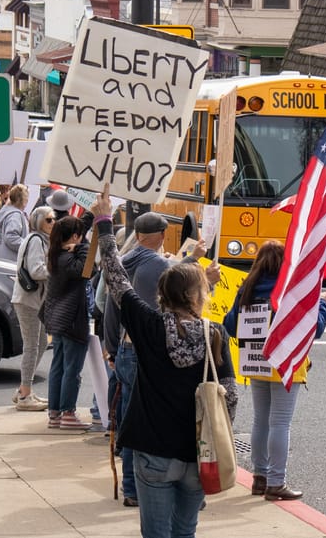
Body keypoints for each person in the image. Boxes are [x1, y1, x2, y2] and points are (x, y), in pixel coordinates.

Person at [92, 184, 237, 537]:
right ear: (200, 295)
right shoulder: (215, 334)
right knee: (185, 531)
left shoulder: (149, 326)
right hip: (196, 452)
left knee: (155, 533)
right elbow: (229, 396)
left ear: (161, 294)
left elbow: (115, 277)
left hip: (153, 450)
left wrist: (105, 222)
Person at [102, 212, 212, 508]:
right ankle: (141, 486)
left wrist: (110, 346)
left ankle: (131, 488)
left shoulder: (125, 263)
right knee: (150, 414)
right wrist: (196, 265)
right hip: (144, 349)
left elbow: (114, 302)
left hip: (124, 347)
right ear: (162, 235)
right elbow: (175, 280)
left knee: (130, 414)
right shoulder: (159, 266)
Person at [223, 241, 326, 501]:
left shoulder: (246, 289)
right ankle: (276, 481)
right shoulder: (289, 292)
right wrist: (323, 303)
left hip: (255, 361)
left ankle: (259, 477)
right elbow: (313, 328)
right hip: (285, 362)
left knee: (261, 420)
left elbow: (230, 325)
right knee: (280, 422)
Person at [40, 216, 96, 430]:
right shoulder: (69, 259)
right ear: (74, 237)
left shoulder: (56, 255)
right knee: (72, 369)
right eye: (81, 236)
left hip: (58, 319)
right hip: (72, 320)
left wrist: (89, 218)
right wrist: (83, 247)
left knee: (59, 367)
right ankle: (68, 413)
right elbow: (89, 270)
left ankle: (55, 413)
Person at [11, 206, 56, 411]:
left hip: (33, 300)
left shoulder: (39, 239)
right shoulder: (36, 240)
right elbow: (37, 271)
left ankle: (24, 389)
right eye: (48, 219)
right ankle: (25, 395)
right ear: (38, 221)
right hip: (29, 300)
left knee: (39, 344)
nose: (53, 223)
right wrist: (57, 270)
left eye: (53, 219)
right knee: (32, 346)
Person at [0, 184, 29, 261]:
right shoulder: (15, 215)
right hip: (10, 262)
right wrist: (29, 244)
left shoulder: (4, 212)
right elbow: (11, 238)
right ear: (23, 200)